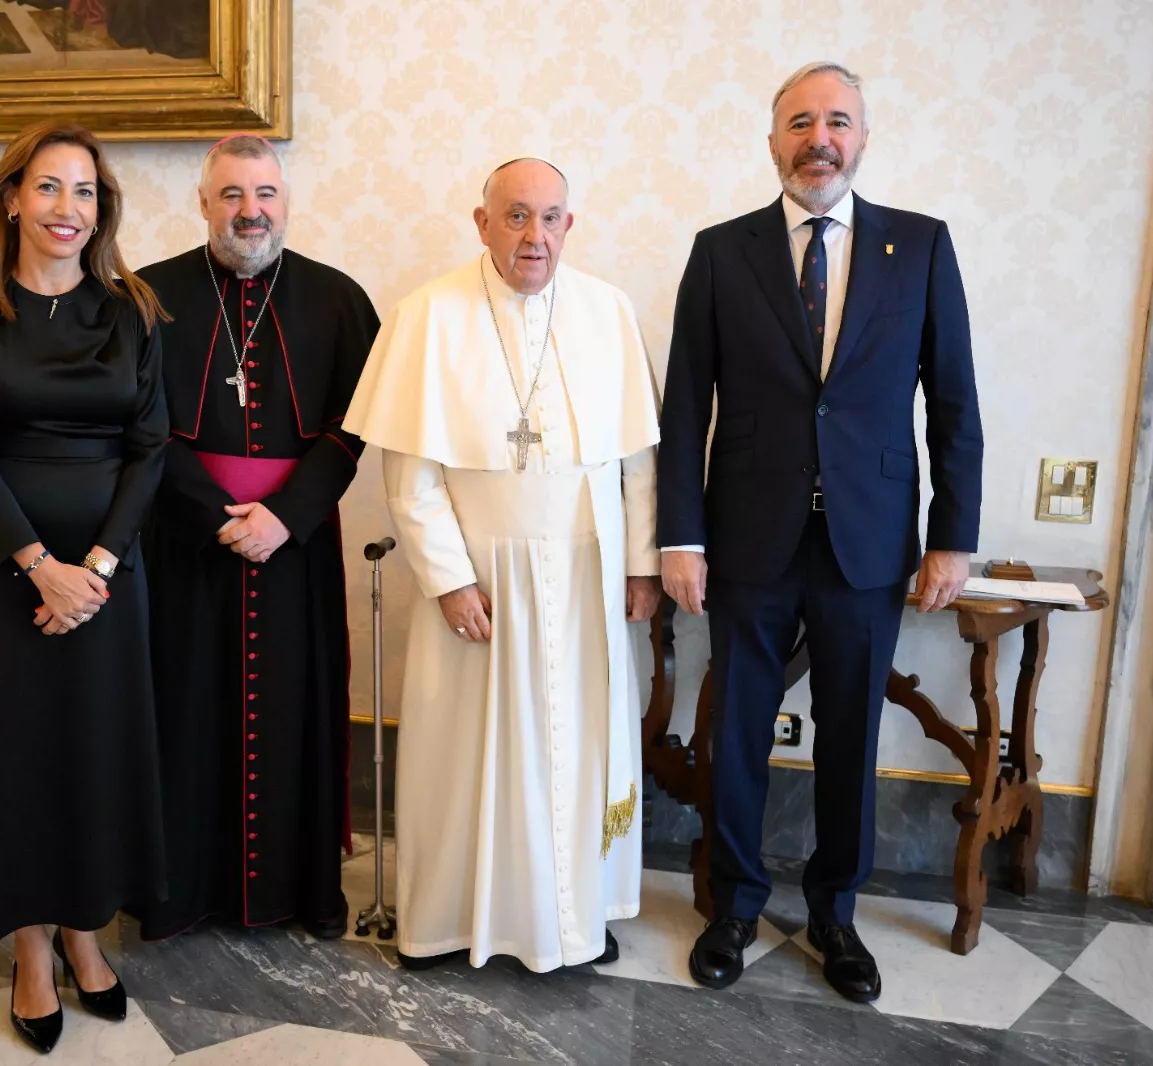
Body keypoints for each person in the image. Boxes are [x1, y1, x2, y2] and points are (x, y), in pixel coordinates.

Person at [657, 62, 983, 1001]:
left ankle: (835, 912)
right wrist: (681, 534)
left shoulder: (919, 247)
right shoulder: (721, 252)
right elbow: (686, 409)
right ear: (773, 143)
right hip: (747, 538)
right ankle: (734, 905)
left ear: (864, 138)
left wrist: (950, 536)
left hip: (869, 542)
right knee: (737, 732)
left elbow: (954, 400)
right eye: (800, 122)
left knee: (849, 733)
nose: (819, 138)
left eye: (837, 120)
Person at [343, 157, 662, 973]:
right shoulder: (427, 315)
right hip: (477, 579)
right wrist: (448, 578)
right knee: (465, 754)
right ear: (480, 222)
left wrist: (639, 566)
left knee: (581, 745)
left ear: (570, 226)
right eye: (515, 216)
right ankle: (450, 920)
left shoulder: (607, 311)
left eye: (551, 217)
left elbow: (637, 462)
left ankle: (576, 912)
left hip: (587, 575)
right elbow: (409, 476)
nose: (534, 235)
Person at [0, 119, 171, 1054]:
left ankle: (85, 929)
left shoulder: (134, 308)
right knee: (13, 759)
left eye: (86, 192)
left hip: (108, 579)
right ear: (12, 198)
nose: (69, 209)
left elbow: (150, 448)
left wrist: (98, 570)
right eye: (50, 188)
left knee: (94, 753)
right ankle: (32, 948)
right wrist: (39, 566)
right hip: (5, 573)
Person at [133, 134, 380, 941]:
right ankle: (180, 894)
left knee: (295, 715)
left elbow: (353, 430)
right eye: (232, 194)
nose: (250, 211)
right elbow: (140, 429)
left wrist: (286, 516)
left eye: (265, 193)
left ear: (286, 202)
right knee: (184, 712)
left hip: (295, 545)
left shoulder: (340, 301)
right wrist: (213, 517)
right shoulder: (149, 297)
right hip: (185, 542)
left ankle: (298, 893)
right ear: (204, 203)